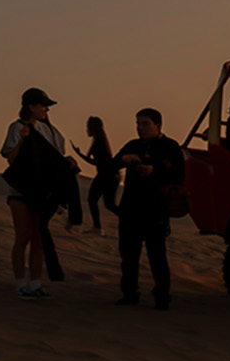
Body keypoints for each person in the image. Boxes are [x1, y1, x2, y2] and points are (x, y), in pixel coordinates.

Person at [0, 88, 75, 299]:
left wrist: (68, 162)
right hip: (21, 190)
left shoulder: (50, 131)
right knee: (23, 235)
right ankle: (20, 284)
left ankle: (35, 283)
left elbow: (55, 160)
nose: (46, 109)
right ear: (31, 106)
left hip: (42, 192)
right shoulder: (17, 127)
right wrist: (22, 141)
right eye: (43, 105)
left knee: (38, 237)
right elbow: (11, 159)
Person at [113, 107, 185, 310]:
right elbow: (111, 164)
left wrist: (154, 170)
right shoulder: (133, 145)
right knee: (128, 255)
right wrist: (123, 160)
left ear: (158, 125)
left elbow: (179, 176)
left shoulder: (170, 147)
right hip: (130, 209)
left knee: (157, 256)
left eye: (145, 123)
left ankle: (162, 297)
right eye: (138, 123)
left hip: (155, 210)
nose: (140, 128)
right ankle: (129, 293)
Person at [71, 116, 119, 234]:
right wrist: (80, 154)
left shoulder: (99, 141)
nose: (87, 129)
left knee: (93, 199)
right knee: (109, 204)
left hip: (106, 175)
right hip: (111, 174)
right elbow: (95, 162)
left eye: (88, 127)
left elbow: (97, 162)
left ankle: (97, 227)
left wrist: (79, 154)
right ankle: (132, 222)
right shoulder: (100, 140)